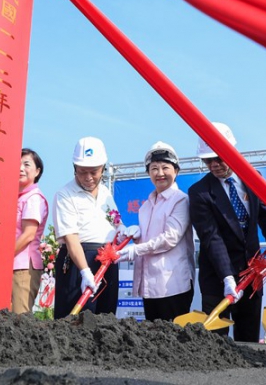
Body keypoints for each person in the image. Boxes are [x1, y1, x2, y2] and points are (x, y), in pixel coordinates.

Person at [188, 122, 266, 341]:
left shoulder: (252, 178)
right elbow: (211, 237)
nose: (214, 165)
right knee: (216, 340)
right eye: (208, 160)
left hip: (252, 271)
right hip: (218, 276)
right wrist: (228, 277)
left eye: (218, 157)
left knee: (248, 336)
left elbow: (265, 214)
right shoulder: (200, 192)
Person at [116, 142, 195, 321]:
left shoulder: (180, 200)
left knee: (175, 339)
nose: (160, 173)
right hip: (150, 287)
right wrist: (135, 237)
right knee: (153, 341)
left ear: (176, 171)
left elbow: (169, 238)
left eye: (165, 167)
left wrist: (136, 249)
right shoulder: (145, 206)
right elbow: (148, 242)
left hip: (173, 285)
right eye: (154, 168)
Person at [53, 137, 121, 319]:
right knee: (77, 321)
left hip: (106, 261)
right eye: (82, 172)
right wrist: (84, 271)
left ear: (103, 168)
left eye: (94, 172)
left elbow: (115, 222)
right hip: (79, 261)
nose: (88, 178)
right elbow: (71, 238)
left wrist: (124, 230)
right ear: (74, 168)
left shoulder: (106, 192)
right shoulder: (65, 195)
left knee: (106, 317)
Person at [12, 148, 49, 314]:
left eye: (26, 164)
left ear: (37, 171)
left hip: (23, 267)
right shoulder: (15, 197)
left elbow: (28, 235)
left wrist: (2, 258)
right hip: (12, 265)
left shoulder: (33, 198)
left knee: (19, 319)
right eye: (17, 164)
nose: (20, 168)